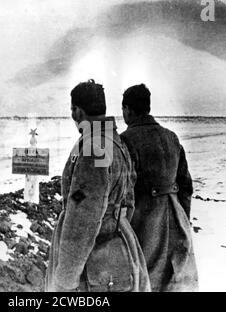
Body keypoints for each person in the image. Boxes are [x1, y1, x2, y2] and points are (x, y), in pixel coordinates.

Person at [45, 79, 150, 292]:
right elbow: (128, 202)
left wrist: (65, 279)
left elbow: (82, 218)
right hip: (118, 249)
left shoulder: (94, 148)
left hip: (93, 261)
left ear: (77, 112)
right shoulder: (115, 142)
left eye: (73, 109)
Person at [120, 84, 198, 292]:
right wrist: (183, 220)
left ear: (127, 109)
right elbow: (186, 187)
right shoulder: (171, 137)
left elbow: (124, 190)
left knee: (145, 280)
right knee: (176, 281)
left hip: (145, 223)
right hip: (176, 218)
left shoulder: (126, 140)